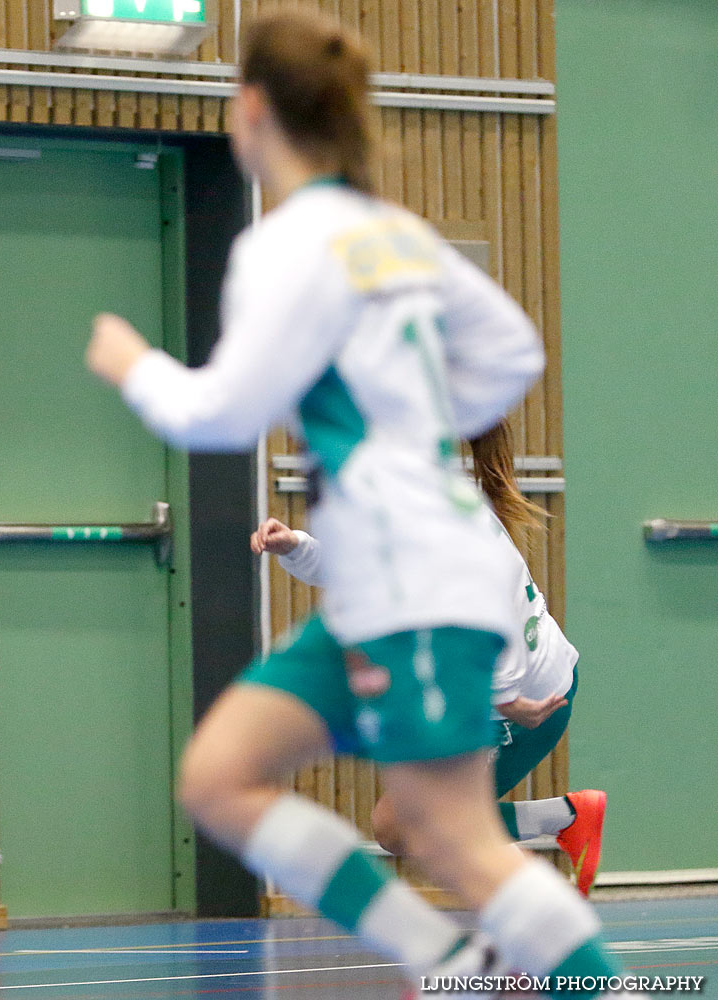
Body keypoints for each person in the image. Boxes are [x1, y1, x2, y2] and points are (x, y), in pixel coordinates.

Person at [86, 11, 638, 998]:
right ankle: (444, 957)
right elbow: (514, 353)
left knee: (458, 842)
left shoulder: (290, 242)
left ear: (252, 110)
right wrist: (415, 426)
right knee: (221, 775)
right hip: (390, 578)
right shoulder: (396, 234)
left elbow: (222, 411)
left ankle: (601, 987)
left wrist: (133, 365)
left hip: (416, 574)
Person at [253, 421, 606, 896]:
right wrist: (293, 545)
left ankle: (543, 921)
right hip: (490, 697)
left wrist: (509, 704)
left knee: (424, 829)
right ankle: (567, 817)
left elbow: (497, 631)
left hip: (531, 702)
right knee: (394, 828)